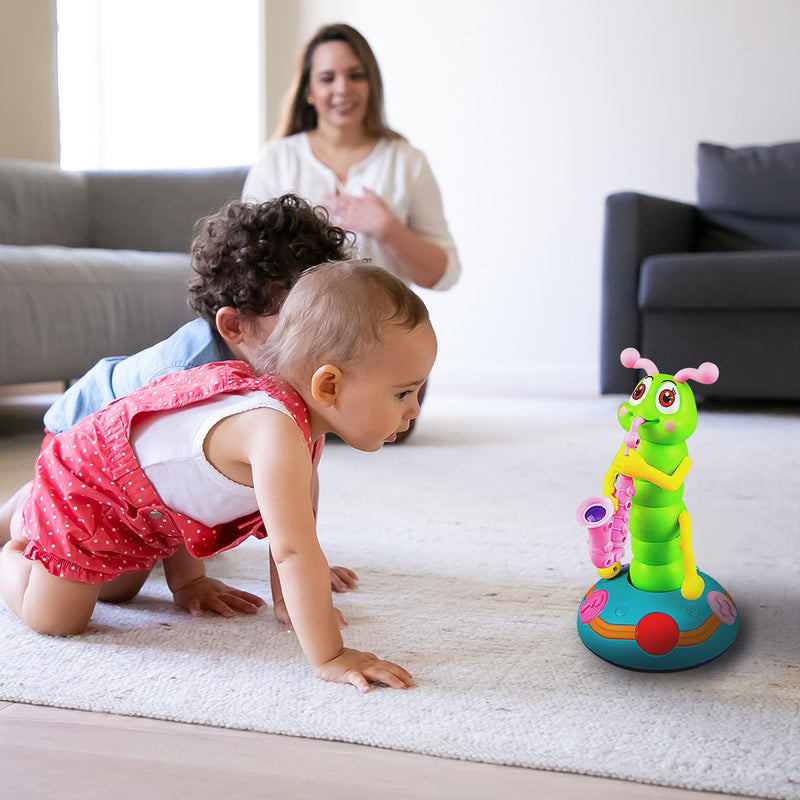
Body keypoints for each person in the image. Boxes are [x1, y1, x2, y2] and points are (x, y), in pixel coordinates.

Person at [0, 260, 435, 692]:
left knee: (117, 591)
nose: (414, 409)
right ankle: (20, 541)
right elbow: (293, 552)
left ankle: (39, 526)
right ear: (328, 386)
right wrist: (331, 655)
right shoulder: (272, 429)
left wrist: (215, 587)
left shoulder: (306, 429)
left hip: (144, 513)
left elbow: (190, 487)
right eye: (403, 392)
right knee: (57, 620)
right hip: (88, 485)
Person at [0, 195, 357, 610]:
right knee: (114, 586)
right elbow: (173, 483)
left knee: (125, 577)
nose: (320, 337)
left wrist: (303, 566)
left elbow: (294, 477)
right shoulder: (188, 380)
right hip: (80, 450)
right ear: (234, 325)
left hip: (135, 471)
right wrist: (188, 583)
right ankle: (27, 509)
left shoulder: (281, 370)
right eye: (300, 322)